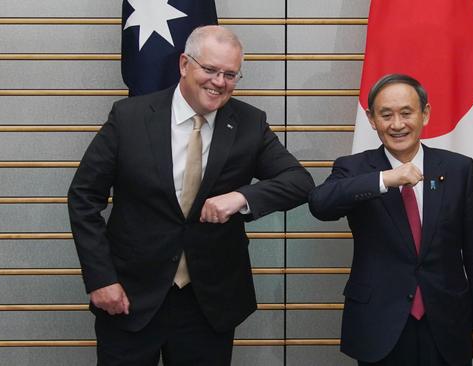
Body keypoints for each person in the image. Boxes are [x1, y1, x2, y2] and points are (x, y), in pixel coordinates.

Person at [67, 25, 314, 365]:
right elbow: (83, 197)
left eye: (230, 74)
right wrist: (101, 279)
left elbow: (299, 181)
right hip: (129, 297)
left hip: (208, 304)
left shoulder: (249, 123)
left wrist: (240, 198)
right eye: (210, 70)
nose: (219, 82)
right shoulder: (130, 117)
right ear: (185, 64)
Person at [308, 74, 473, 366]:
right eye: (386, 115)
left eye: (406, 113)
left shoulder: (458, 168)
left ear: (425, 114)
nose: (397, 124)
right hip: (380, 324)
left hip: (448, 322)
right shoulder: (355, 168)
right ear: (372, 119)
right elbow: (321, 204)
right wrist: (385, 179)